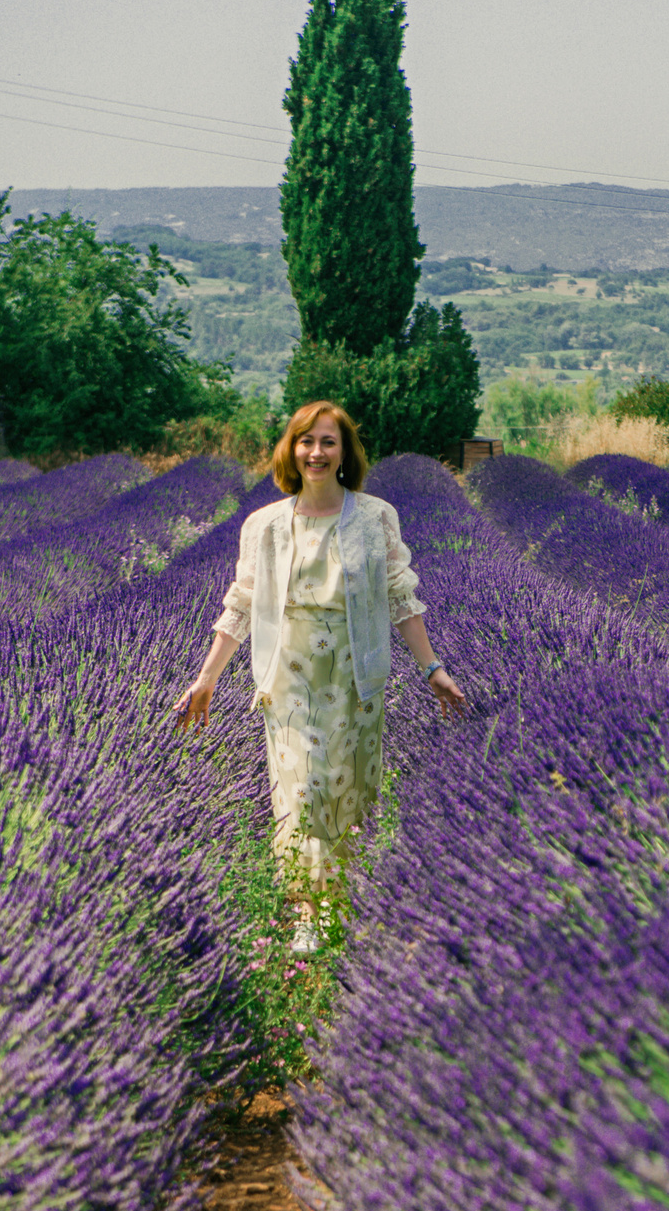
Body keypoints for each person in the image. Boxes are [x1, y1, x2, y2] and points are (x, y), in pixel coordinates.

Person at [170, 400, 466, 950]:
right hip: (290, 678)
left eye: (328, 442)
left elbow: (401, 597)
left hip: (356, 677)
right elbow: (241, 604)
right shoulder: (264, 526)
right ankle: (306, 910)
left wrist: (433, 669)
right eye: (306, 441)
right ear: (291, 450)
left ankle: (347, 902)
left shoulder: (376, 517)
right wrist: (206, 678)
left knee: (351, 791)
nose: (316, 452)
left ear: (344, 452)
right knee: (302, 790)